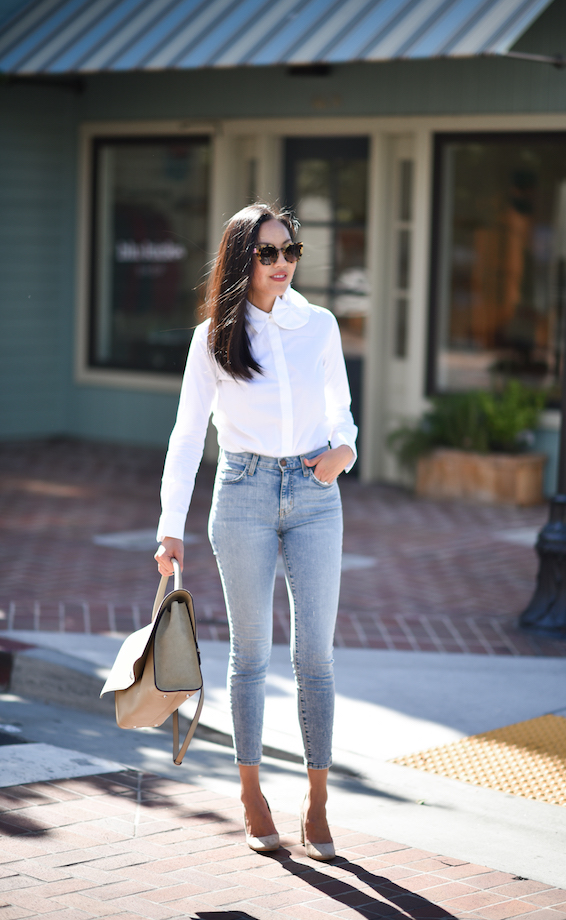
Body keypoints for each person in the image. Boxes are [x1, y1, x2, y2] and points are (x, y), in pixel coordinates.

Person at [154, 203, 357, 861]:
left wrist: (343, 453)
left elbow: (342, 412)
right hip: (240, 492)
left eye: (290, 251)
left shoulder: (319, 325)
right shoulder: (214, 336)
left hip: (314, 493)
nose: (281, 265)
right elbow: (187, 437)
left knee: (315, 659)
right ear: (243, 259)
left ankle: (318, 801)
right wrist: (169, 527)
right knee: (250, 657)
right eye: (267, 254)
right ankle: (251, 796)